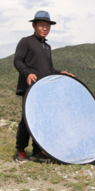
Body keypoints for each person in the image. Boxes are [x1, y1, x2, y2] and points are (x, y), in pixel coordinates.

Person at [13, 10, 74, 162]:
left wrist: (61, 73)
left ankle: (37, 150)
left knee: (42, 119)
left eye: (47, 26)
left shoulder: (47, 47)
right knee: (27, 119)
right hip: (30, 87)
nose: (45, 28)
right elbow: (17, 61)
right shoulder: (26, 41)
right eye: (41, 25)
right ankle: (20, 150)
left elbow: (49, 70)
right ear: (34, 25)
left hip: (44, 90)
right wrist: (27, 73)